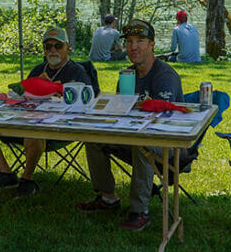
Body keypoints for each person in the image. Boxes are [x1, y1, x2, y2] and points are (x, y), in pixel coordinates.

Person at [77, 19, 183, 231]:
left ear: (152, 44)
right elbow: (121, 110)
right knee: (93, 138)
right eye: (130, 42)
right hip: (132, 133)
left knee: (142, 144)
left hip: (166, 139)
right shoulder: (127, 74)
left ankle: (139, 210)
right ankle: (107, 198)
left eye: (140, 41)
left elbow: (164, 118)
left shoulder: (165, 76)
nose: (133, 47)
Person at [0, 26, 90, 197]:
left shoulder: (77, 71)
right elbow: (23, 94)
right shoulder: (38, 70)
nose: (52, 50)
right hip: (24, 119)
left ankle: (27, 179)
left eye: (58, 46)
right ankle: (6, 173)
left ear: (67, 48)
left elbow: (85, 102)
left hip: (58, 129)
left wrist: (56, 93)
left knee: (33, 130)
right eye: (48, 46)